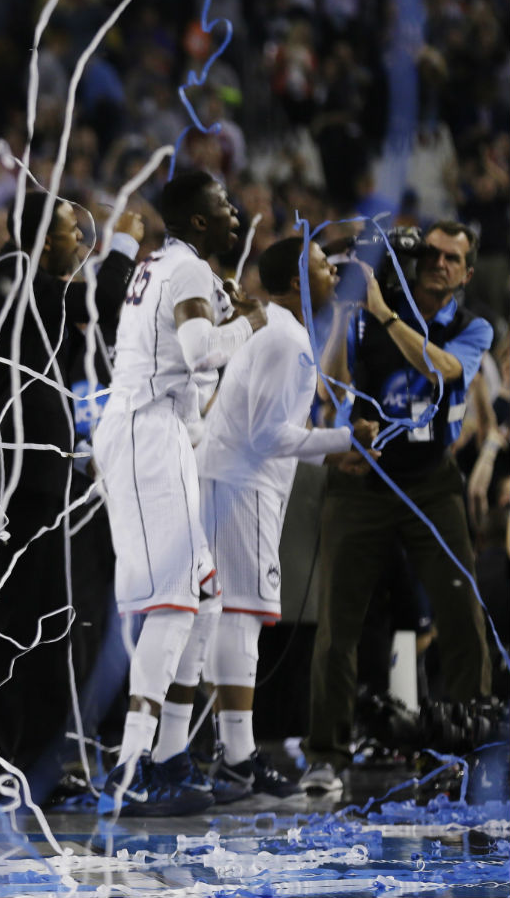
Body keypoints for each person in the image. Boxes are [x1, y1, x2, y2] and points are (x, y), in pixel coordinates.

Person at [91, 170, 267, 816]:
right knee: (172, 602)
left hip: (158, 434)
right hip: (143, 434)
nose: (233, 212)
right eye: (222, 204)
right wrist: (248, 324)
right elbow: (196, 352)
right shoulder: (186, 269)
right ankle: (134, 766)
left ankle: (169, 757)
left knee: (206, 595)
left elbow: (182, 361)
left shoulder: (169, 264)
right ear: (197, 220)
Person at [0, 189, 140, 806]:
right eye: (69, 232)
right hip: (13, 492)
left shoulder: (34, 289)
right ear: (36, 238)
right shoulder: (7, 275)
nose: (80, 243)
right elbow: (98, 296)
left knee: (47, 631)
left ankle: (35, 766)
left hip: (49, 490)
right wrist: (124, 249)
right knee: (5, 632)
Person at [304, 221, 495, 793]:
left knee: (462, 616)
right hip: (364, 481)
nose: (437, 263)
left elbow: (442, 371)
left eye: (451, 258)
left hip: (432, 483)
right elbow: (330, 394)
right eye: (430, 253)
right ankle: (326, 754)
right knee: (337, 623)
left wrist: (384, 311)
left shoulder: (471, 326)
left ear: (466, 273)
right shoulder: (367, 314)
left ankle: (469, 749)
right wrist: (344, 313)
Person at [194, 236, 377, 800]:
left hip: (231, 478)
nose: (334, 274)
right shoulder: (286, 336)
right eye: (325, 267)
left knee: (224, 617)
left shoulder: (273, 328)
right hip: (243, 483)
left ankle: (223, 756)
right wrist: (347, 439)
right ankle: (238, 759)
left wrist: (330, 447)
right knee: (240, 620)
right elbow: (267, 436)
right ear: (300, 281)